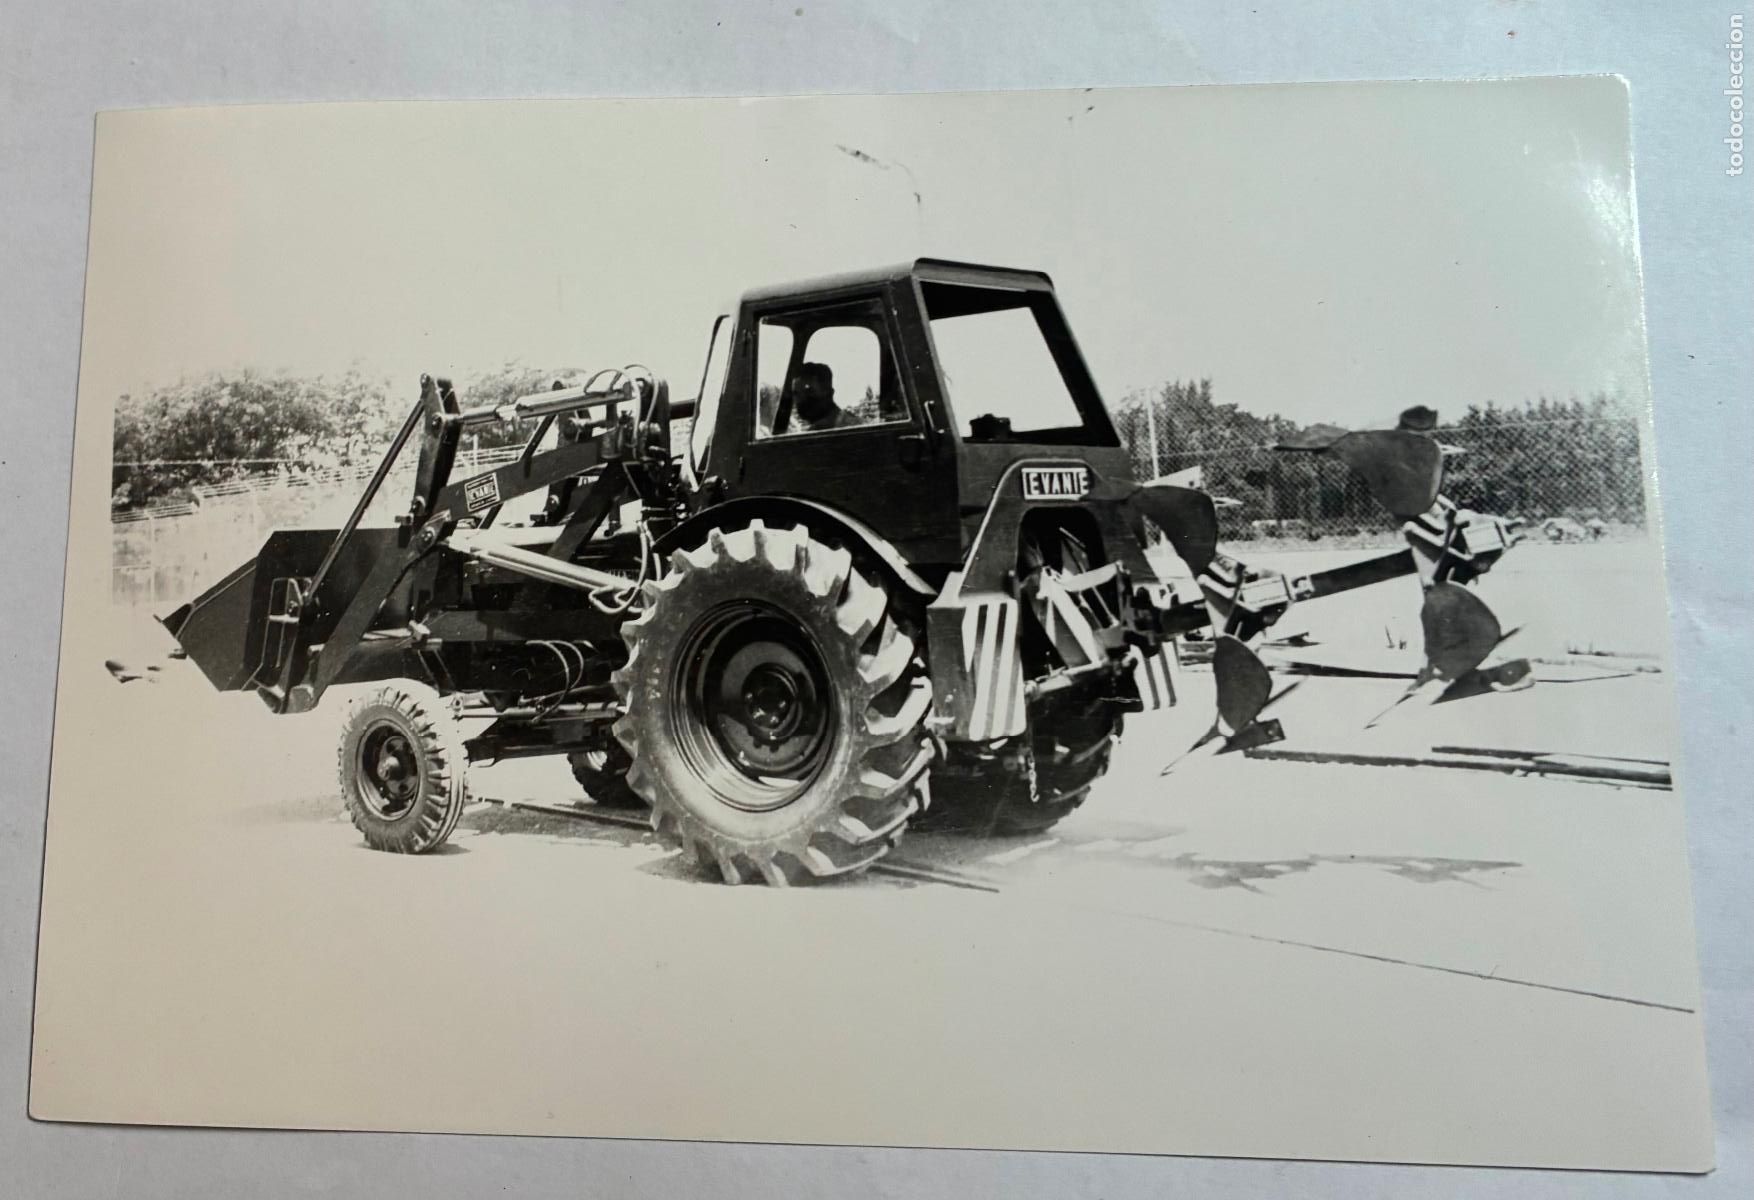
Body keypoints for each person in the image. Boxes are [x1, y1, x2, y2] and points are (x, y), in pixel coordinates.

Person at [787, 361, 858, 433]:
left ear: (828, 392)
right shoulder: (811, 434)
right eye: (796, 394)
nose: (801, 399)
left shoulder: (852, 429)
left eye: (809, 392)